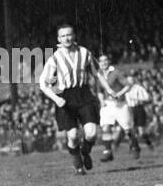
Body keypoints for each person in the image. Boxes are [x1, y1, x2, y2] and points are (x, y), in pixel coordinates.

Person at [38, 24, 119, 175]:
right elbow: (43, 84)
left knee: (91, 132)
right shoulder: (55, 58)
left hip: (83, 93)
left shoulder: (84, 52)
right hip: (65, 97)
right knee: (73, 135)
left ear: (74, 36)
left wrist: (109, 89)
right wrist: (56, 99)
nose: (66, 38)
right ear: (58, 39)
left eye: (69, 35)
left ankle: (85, 151)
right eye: (63, 36)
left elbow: (98, 73)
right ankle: (77, 164)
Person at [96, 54, 138, 160]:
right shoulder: (99, 75)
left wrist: (119, 94)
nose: (103, 62)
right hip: (107, 104)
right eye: (101, 61)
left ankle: (135, 147)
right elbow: (99, 91)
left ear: (109, 61)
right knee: (106, 127)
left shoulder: (116, 72)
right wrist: (101, 101)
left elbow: (128, 85)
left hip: (120, 104)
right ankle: (107, 152)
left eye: (105, 60)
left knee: (128, 129)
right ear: (99, 63)